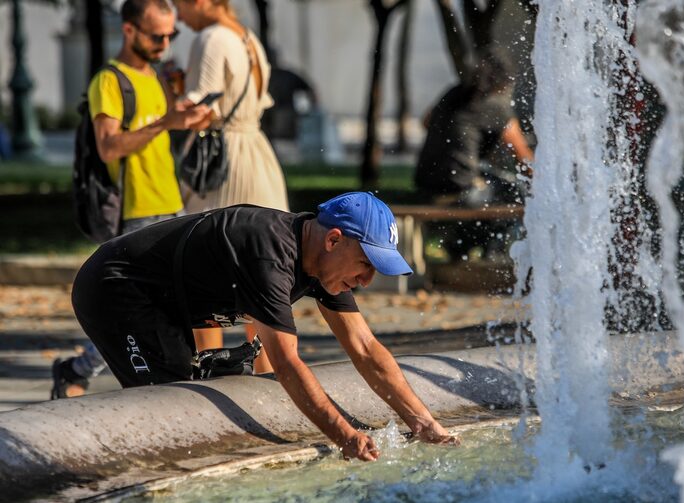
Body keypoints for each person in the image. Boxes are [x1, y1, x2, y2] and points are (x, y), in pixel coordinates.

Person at [70, 192, 457, 460]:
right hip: (117, 288)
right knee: (166, 403)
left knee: (190, 400)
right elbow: (287, 363)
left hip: (166, 302)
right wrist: (345, 436)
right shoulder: (270, 256)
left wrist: (426, 425)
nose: (368, 280)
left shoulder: (324, 264)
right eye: (367, 264)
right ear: (334, 240)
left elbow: (366, 349)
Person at [51, 0, 212, 399]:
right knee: (131, 312)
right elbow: (108, 147)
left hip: (172, 205)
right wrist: (165, 122)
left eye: (170, 35)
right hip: (135, 214)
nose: (164, 43)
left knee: (179, 305)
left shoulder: (156, 77)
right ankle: (80, 369)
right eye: (156, 35)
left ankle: (172, 380)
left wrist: (187, 118)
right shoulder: (109, 81)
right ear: (129, 31)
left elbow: (161, 136)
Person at [172, 0, 291, 368]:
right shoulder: (248, 38)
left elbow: (199, 110)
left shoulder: (210, 38)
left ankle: (210, 369)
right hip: (257, 155)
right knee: (264, 270)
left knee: (205, 268)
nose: (179, 15)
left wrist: (169, 92)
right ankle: (270, 371)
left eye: (180, 5)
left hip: (224, 164)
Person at [414, 48, 534, 259]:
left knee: (487, 176)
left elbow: (425, 122)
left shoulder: (454, 93)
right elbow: (525, 160)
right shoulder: (495, 107)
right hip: (459, 189)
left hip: (425, 183)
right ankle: (491, 253)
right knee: (516, 192)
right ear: (504, 82)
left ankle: (460, 248)